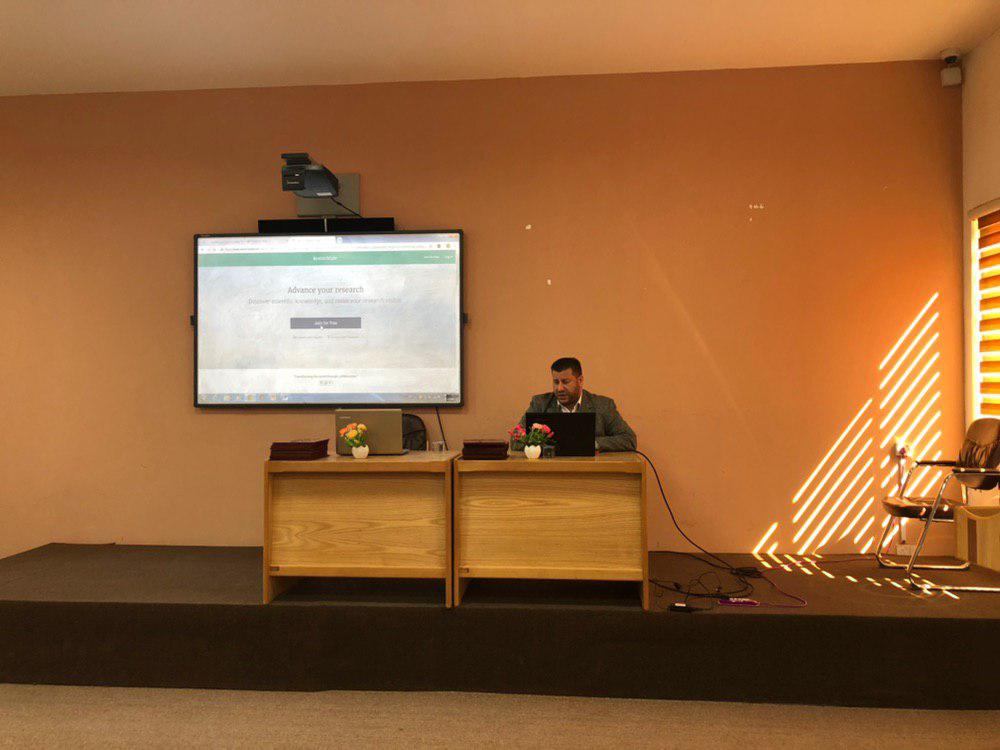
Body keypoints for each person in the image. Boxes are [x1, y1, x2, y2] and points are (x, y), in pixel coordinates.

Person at [520, 357, 637, 452]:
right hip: (550, 470)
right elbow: (515, 440)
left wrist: (592, 444)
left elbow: (629, 439)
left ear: (580, 380)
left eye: (565, 382)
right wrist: (543, 443)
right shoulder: (540, 404)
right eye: (556, 382)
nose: (559, 388)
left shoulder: (602, 405)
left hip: (591, 471)